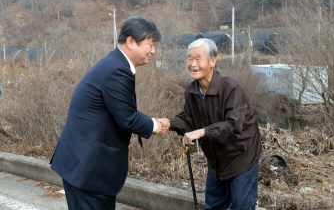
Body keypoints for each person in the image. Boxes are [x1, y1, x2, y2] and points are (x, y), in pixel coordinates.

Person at [50, 17, 170, 210]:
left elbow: (121, 112)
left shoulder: (114, 64)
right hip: (89, 170)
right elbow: (128, 118)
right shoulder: (117, 70)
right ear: (131, 41)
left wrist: (149, 122)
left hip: (83, 165)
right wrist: (155, 125)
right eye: (151, 45)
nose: (153, 51)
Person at [170, 38, 262, 210]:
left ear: (213, 61)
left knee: (241, 206)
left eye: (198, 58)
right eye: (190, 58)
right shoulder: (192, 91)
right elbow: (188, 119)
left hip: (241, 156)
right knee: (213, 206)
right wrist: (167, 123)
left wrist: (201, 132)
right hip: (216, 160)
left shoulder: (230, 88)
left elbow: (233, 125)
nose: (192, 64)